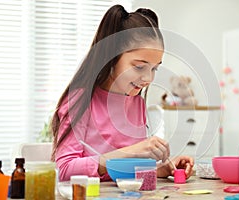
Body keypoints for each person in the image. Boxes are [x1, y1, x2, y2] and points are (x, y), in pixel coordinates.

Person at [51, 4, 194, 182]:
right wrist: (129, 153)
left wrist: (160, 169)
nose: (148, 78)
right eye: (139, 67)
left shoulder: (136, 103)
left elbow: (126, 171)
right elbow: (65, 170)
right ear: (111, 57)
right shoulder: (79, 100)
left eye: (154, 69)